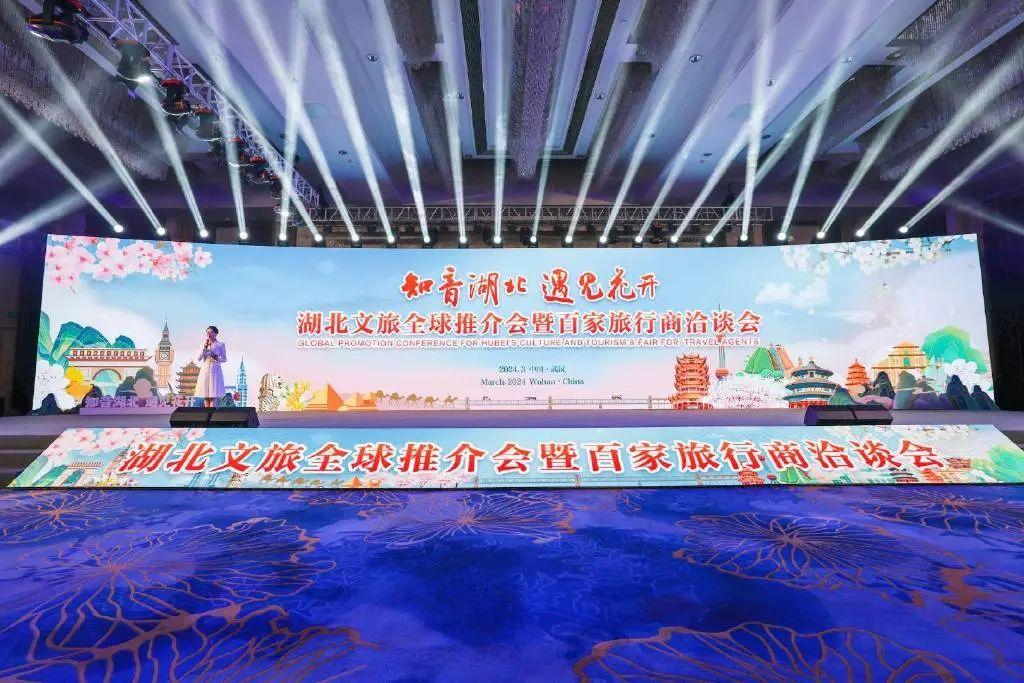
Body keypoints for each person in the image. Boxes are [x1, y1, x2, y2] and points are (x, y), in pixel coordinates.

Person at [195, 325, 226, 408]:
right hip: (205, 369)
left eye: (211, 332)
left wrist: (215, 356)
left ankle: (212, 414)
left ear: (216, 334)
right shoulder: (204, 345)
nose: (209, 334)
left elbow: (224, 358)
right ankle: (206, 415)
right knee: (206, 395)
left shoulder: (220, 344)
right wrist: (204, 348)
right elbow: (199, 358)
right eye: (207, 332)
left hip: (215, 369)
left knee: (212, 395)